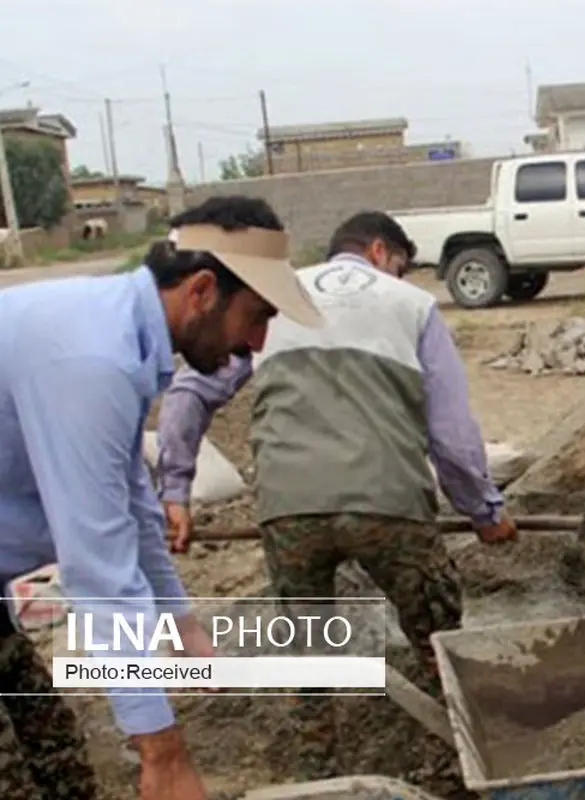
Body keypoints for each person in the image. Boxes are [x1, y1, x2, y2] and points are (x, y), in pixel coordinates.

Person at [156, 210, 517, 780]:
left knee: (309, 656)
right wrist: (485, 511)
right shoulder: (411, 306)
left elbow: (191, 390)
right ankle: (483, 766)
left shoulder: (269, 300)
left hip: (289, 509)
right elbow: (451, 436)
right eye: (399, 263)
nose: (400, 274)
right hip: (391, 504)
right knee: (438, 639)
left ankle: (321, 778)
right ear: (379, 251)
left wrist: (175, 488)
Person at [0, 195, 322, 800]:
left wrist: (179, 622)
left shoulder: (120, 338)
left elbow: (131, 504)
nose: (256, 342)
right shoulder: (90, 357)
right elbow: (96, 563)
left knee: (58, 764)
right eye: (256, 315)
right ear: (202, 290)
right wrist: (163, 752)